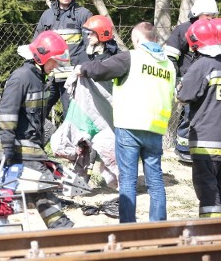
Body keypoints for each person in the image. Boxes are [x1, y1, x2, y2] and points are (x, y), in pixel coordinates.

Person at [75, 22, 175, 223]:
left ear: (137, 39)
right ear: (155, 38)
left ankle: (128, 227)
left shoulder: (132, 57)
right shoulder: (169, 65)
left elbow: (101, 69)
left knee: (128, 180)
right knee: (155, 180)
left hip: (130, 125)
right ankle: (159, 226)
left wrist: (82, 68)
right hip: (155, 128)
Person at [0, 30, 74, 229]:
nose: (56, 66)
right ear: (42, 57)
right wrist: (6, 149)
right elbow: (7, 115)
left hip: (29, 146)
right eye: (54, 61)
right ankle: (62, 228)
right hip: (16, 147)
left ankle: (61, 228)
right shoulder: (21, 78)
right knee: (42, 184)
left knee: (38, 189)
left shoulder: (38, 78)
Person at [50, 15, 120, 188]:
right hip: (86, 110)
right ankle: (80, 183)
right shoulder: (84, 54)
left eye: (91, 33)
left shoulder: (116, 57)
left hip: (107, 111)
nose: (87, 37)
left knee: (108, 147)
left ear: (101, 34)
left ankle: (121, 182)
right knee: (82, 146)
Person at [164, 0, 219, 163]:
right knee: (188, 114)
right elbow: (170, 57)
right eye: (206, 15)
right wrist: (176, 80)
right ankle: (183, 149)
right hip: (189, 78)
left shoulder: (214, 31)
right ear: (196, 13)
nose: (210, 18)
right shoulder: (183, 30)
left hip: (209, 77)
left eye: (212, 15)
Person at [177, 19, 221, 217]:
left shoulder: (202, 65)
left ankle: (210, 236)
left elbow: (185, 96)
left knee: (208, 190)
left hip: (206, 139)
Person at [34, 0, 92, 117]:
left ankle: (74, 140)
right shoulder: (47, 16)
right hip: (51, 77)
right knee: (36, 112)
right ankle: (37, 138)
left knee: (72, 117)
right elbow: (36, 44)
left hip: (73, 79)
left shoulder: (83, 14)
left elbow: (90, 47)